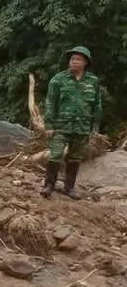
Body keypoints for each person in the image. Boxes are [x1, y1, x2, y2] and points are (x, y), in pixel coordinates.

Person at [42, 46, 102, 200]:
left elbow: (97, 104)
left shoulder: (93, 81)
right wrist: (49, 125)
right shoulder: (58, 79)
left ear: (85, 63)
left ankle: (69, 188)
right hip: (61, 125)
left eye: (78, 59)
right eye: (72, 59)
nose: (74, 62)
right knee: (55, 155)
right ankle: (49, 186)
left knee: (75, 157)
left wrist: (95, 126)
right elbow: (50, 103)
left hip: (82, 127)